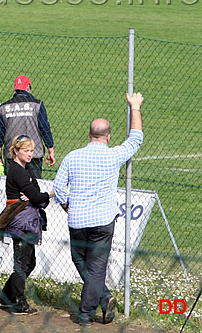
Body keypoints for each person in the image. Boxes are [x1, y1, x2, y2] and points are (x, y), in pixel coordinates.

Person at [53, 92, 144, 326]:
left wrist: (66, 206)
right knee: (96, 266)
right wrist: (135, 107)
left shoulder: (73, 157)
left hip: (77, 219)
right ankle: (93, 306)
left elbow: (59, 186)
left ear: (89, 134)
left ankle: (93, 305)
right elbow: (135, 140)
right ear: (108, 137)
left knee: (80, 260)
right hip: (103, 220)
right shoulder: (113, 156)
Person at [0, 135, 53, 315]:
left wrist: (36, 196)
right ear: (16, 151)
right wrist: (49, 194)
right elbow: (37, 196)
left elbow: (35, 194)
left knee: (30, 263)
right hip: (21, 221)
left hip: (28, 220)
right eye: (26, 150)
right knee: (22, 263)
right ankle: (18, 302)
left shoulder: (25, 169)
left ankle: (6, 297)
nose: (30, 154)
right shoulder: (18, 171)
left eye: (31, 150)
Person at [0, 75, 55, 179]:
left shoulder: (3, 108)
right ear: (28, 88)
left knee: (14, 187)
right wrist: (50, 149)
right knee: (33, 187)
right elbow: (44, 128)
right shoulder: (37, 105)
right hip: (33, 155)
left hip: (12, 155)